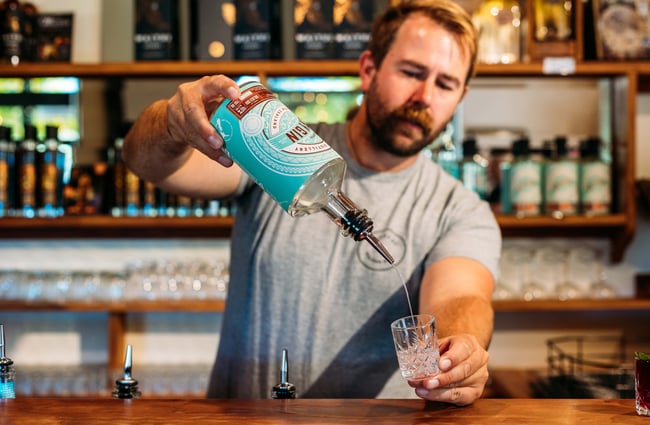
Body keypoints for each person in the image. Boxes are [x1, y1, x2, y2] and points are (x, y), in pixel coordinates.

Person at [123, 0, 501, 405]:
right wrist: (170, 121)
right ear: (369, 68)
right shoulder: (280, 151)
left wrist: (460, 349)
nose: (423, 96)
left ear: (460, 97)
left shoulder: (460, 210)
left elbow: (461, 298)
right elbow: (146, 163)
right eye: (411, 72)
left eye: (445, 85)